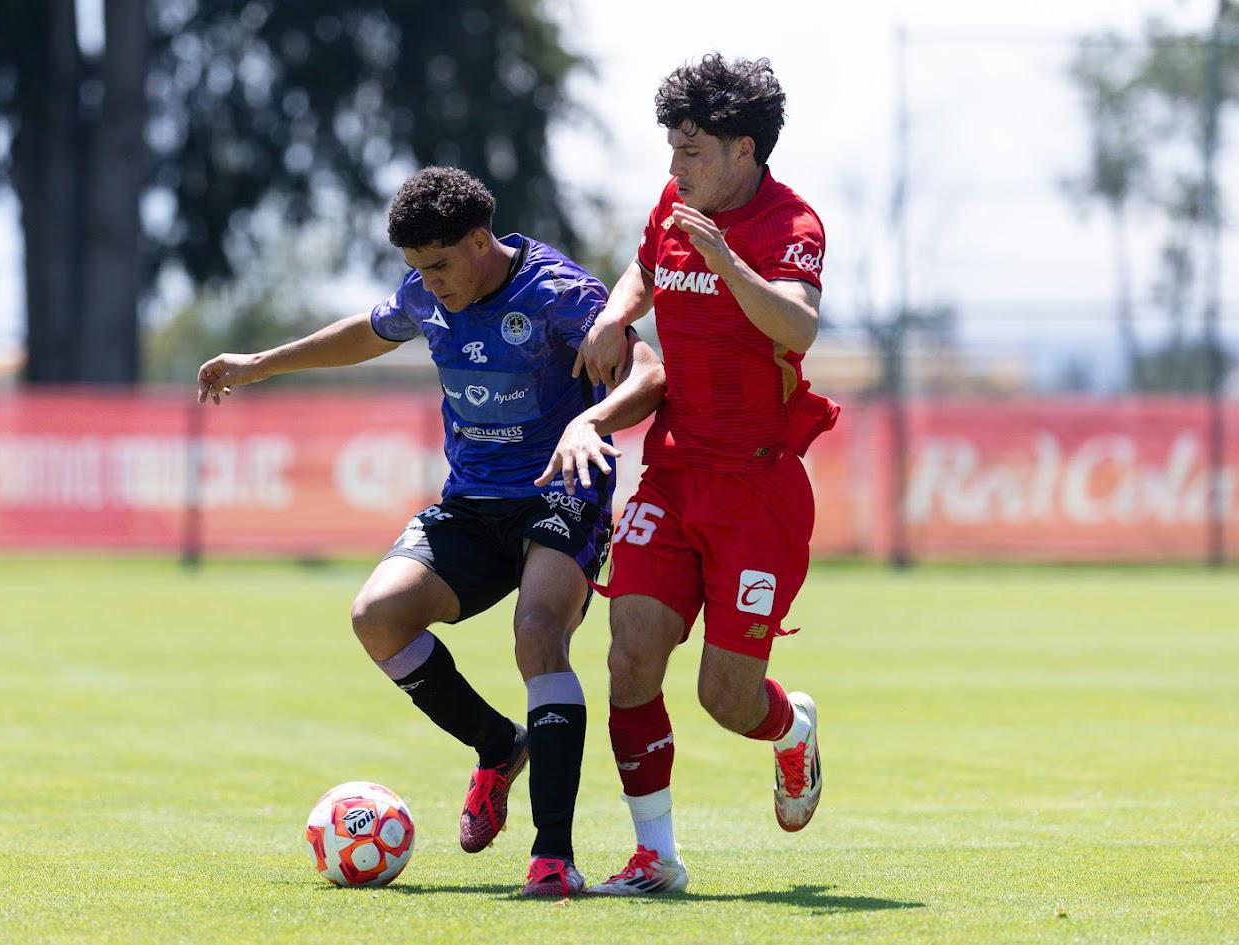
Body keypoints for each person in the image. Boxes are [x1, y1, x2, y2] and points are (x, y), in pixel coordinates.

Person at [196, 167, 665, 897]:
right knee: (376, 616)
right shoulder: (426, 290)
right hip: (473, 502)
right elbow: (369, 331)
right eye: (417, 269)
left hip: (560, 490)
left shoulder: (558, 292)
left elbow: (649, 375)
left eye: (441, 264)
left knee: (538, 631)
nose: (430, 283)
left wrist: (590, 418)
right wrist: (261, 364)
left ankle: (552, 856)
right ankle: (496, 744)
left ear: (481, 241)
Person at [573, 54, 840, 895]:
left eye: (691, 152)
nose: (674, 168)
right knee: (628, 657)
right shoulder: (675, 205)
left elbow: (797, 327)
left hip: (758, 492)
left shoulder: (791, 225)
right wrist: (617, 315)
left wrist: (727, 263)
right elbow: (645, 269)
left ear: (743, 152)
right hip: (675, 471)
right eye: (672, 150)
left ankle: (790, 727)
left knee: (728, 697)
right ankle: (656, 855)